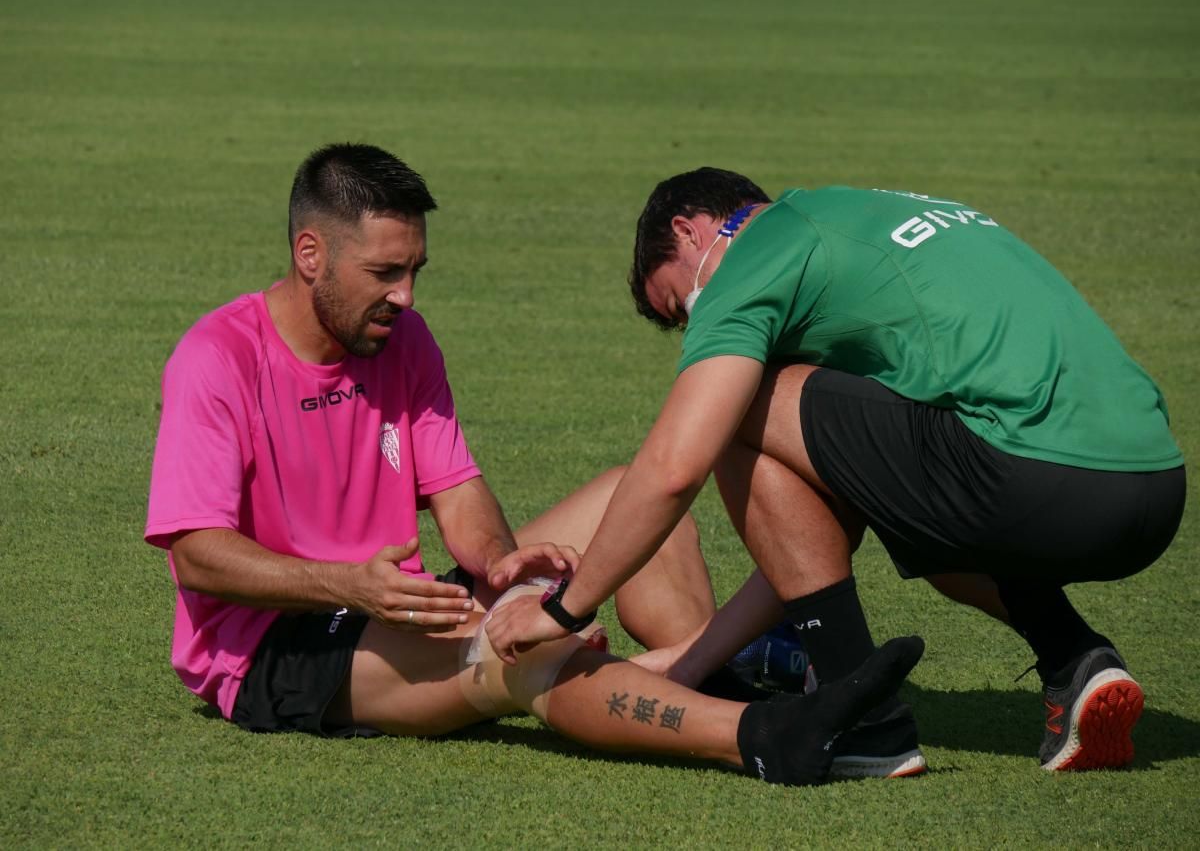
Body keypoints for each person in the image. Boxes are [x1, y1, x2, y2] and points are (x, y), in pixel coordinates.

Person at [143, 145, 924, 787]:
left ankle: (701, 676)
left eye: (415, 270)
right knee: (518, 651)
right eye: (385, 273)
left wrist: (498, 561)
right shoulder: (216, 358)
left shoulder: (401, 341)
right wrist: (349, 584)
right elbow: (198, 556)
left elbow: (456, 487)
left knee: (629, 496)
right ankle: (763, 734)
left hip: (400, 606)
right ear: (310, 253)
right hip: (277, 652)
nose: (407, 296)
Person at [485, 168, 1186, 773]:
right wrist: (691, 664)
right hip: (1154, 487)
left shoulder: (759, 250)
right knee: (915, 518)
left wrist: (562, 609)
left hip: (1033, 475)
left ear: (693, 231)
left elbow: (673, 466)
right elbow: (814, 538)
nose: (691, 322)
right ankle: (1075, 657)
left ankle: (863, 715)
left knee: (733, 403)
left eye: (677, 303)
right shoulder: (856, 218)